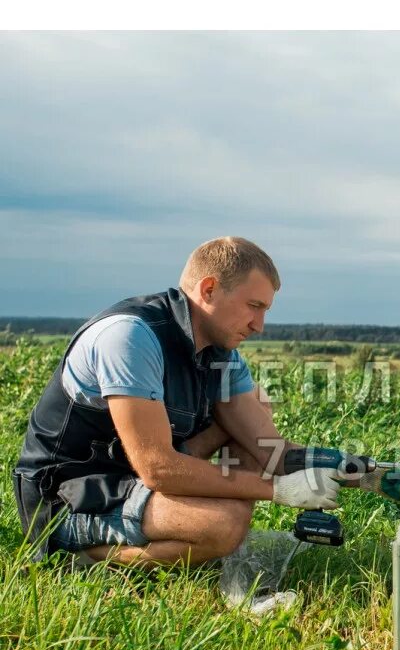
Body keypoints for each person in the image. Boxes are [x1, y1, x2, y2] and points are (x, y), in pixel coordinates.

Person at [10, 236, 343, 569]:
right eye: (254, 306)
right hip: (70, 493)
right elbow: (159, 469)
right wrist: (278, 489)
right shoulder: (130, 336)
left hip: (129, 475)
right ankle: (80, 558)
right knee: (223, 525)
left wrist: (366, 474)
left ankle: (192, 538)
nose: (259, 326)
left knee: (255, 405)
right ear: (209, 289)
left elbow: (270, 450)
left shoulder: (221, 355)